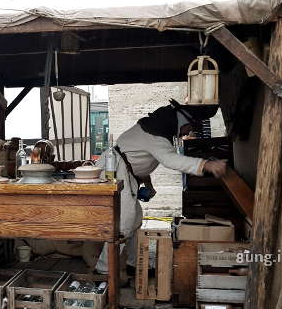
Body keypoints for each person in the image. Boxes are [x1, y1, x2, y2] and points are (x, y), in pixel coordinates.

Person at [94, 100, 227, 275]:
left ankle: (135, 265)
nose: (188, 133)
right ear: (182, 122)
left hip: (124, 171)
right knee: (123, 224)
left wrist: (148, 183)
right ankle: (102, 272)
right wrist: (207, 165)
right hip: (114, 170)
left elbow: (134, 159)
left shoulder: (156, 130)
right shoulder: (155, 135)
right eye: (189, 128)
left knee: (135, 220)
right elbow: (171, 160)